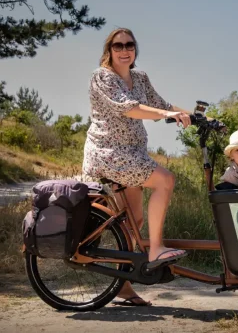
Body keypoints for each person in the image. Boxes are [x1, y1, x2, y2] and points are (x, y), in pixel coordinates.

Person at [82, 27, 195, 306]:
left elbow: (160, 104)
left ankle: (123, 286)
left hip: (133, 154)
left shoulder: (140, 77)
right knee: (165, 180)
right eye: (117, 46)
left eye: (129, 45)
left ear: (135, 50)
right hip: (109, 154)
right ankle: (155, 249)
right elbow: (128, 108)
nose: (124, 50)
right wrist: (167, 114)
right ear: (109, 51)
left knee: (134, 221)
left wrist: (195, 117)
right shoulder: (102, 77)